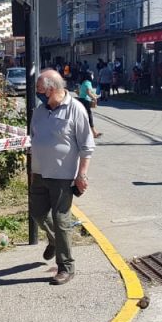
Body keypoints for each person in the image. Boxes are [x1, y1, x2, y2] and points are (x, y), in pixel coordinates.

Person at [29, 69, 95, 286]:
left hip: (62, 175)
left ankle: (66, 267)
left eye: (40, 90)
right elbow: (34, 141)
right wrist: (31, 171)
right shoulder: (39, 111)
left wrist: (81, 174)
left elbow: (86, 146)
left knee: (61, 219)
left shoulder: (75, 109)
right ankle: (56, 241)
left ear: (52, 89)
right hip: (39, 172)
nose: (38, 94)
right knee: (37, 213)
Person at [77, 70, 102, 138]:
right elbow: (88, 92)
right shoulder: (88, 82)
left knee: (83, 116)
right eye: (92, 75)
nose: (93, 76)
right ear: (89, 76)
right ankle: (93, 133)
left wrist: (95, 96)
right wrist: (94, 98)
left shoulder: (84, 82)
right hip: (85, 101)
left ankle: (89, 132)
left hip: (81, 100)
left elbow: (88, 92)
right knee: (89, 116)